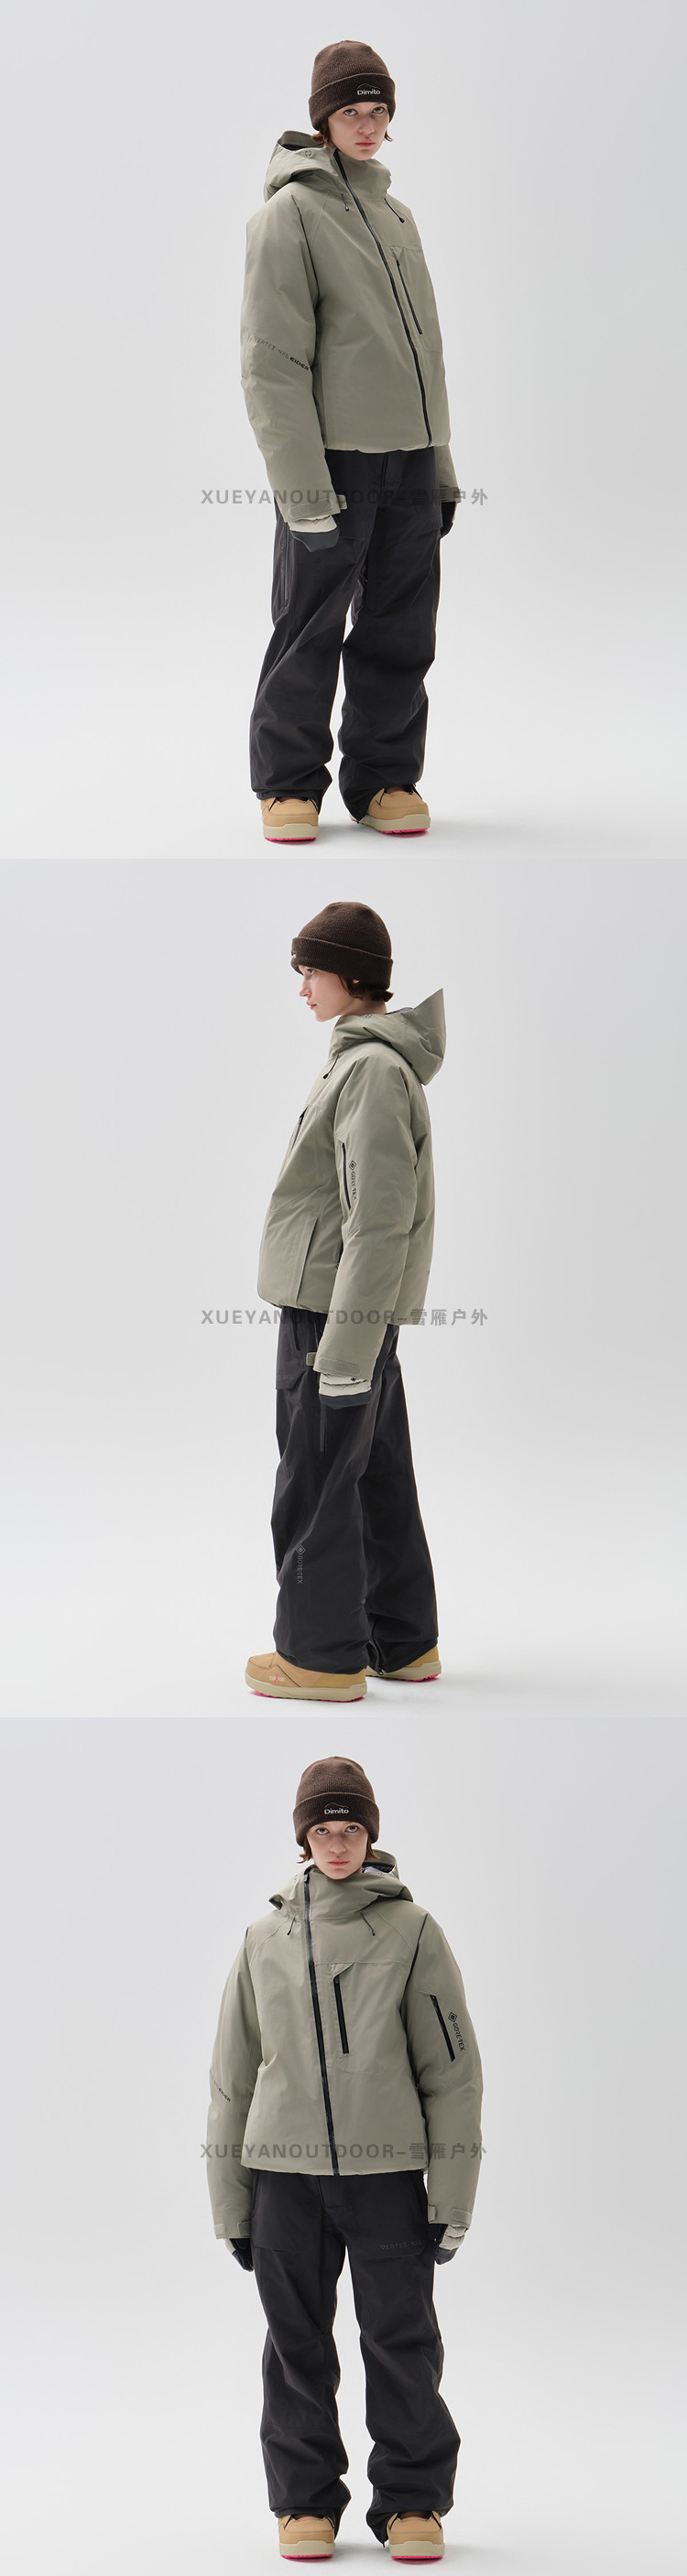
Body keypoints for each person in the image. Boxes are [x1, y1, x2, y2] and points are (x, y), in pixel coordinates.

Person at [206, 1755, 484, 2562]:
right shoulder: (263, 1939)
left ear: (370, 1837)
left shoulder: (413, 1931)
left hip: (385, 2176)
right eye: (323, 1830)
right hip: (283, 2178)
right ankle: (304, 2504)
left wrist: (452, 2195)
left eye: (351, 1829)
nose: (337, 1844)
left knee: (401, 2339)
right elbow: (231, 2079)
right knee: (295, 2343)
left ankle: (411, 2502)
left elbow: (453, 2074)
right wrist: (231, 2204)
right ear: (303, 1839)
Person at [240, 40, 461, 843]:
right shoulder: (289, 215)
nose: (367, 125)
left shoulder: (398, 216)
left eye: (378, 111)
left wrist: (440, 465)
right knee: (309, 625)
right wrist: (301, 489)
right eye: (350, 111)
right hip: (332, 461)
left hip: (411, 459)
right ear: (322, 121)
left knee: (401, 626)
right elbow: (272, 363)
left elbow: (426, 355)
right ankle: (287, 786)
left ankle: (386, 778)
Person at [245, 900, 445, 1703]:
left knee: (319, 1482)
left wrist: (347, 1348)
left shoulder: (370, 1071)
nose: (303, 988)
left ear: (352, 977)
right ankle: (401, 1642)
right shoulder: (369, 1063)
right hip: (349, 1313)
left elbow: (380, 1219)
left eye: (312, 972)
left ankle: (321, 1658)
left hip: (334, 1316)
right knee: (374, 1477)